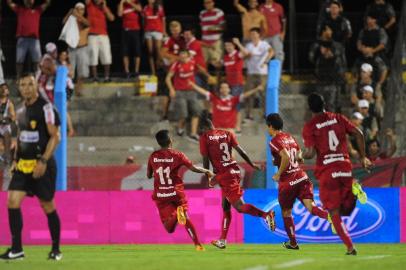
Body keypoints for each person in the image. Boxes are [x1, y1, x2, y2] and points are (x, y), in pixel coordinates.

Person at [301, 93, 373, 255]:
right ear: (325, 103)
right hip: (345, 167)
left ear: (309, 108)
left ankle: (350, 247)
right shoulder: (339, 118)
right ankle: (355, 187)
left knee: (334, 212)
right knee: (346, 210)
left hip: (328, 171)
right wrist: (362, 157)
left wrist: (300, 155)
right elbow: (359, 134)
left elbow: (310, 153)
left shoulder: (310, 126)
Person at [0, 73, 62, 260]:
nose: (26, 88)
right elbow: (21, 138)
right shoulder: (19, 111)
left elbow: (55, 136)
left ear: (36, 86)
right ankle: (17, 249)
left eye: (30, 84)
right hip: (23, 165)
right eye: (23, 85)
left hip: (41, 164)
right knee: (12, 201)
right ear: (19, 88)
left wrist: (43, 161)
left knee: (47, 205)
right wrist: (16, 160)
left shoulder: (46, 108)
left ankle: (56, 249)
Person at [199, 117, 276, 249]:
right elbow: (241, 151)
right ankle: (222, 240)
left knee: (240, 207)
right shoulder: (227, 133)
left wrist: (208, 176)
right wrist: (252, 164)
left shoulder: (204, 138)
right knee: (225, 206)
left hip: (224, 175)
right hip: (234, 170)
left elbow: (205, 160)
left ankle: (266, 215)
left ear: (202, 129)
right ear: (212, 125)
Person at [266, 113, 330, 250]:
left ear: (271, 126)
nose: (268, 129)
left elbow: (286, 157)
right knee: (312, 208)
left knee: (286, 212)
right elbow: (299, 154)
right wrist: (296, 159)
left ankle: (293, 243)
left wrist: (278, 173)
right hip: (302, 177)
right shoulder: (289, 137)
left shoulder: (274, 141)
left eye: (268, 127)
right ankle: (331, 218)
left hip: (288, 181)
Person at [147, 130, 214, 251]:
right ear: (171, 141)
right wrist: (206, 171)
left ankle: (176, 215)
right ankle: (197, 244)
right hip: (176, 192)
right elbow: (193, 168)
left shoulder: (153, 156)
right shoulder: (178, 155)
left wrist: (156, 173)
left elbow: (148, 175)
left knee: (169, 228)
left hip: (161, 194)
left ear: (158, 142)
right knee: (185, 218)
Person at [165, 49, 213, 142]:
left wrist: (208, 75)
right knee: (184, 114)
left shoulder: (193, 62)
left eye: (184, 55)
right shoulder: (176, 65)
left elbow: (200, 69)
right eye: (181, 55)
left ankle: (193, 134)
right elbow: (168, 78)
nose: (182, 57)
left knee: (196, 111)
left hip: (192, 91)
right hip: (180, 92)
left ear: (187, 56)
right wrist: (171, 89)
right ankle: (180, 130)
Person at [190, 81, 263, 132]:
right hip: (217, 129)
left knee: (231, 152)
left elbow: (246, 95)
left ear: (229, 89)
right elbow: (204, 92)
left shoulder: (234, 99)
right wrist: (193, 85)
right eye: (222, 88)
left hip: (229, 130)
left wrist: (256, 89)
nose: (224, 89)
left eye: (226, 87)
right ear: (220, 90)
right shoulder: (214, 98)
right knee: (216, 152)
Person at [233, 29, 274, 120]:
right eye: (251, 34)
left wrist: (266, 61)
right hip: (251, 73)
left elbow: (271, 52)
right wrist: (239, 45)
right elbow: (246, 54)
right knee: (249, 94)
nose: (253, 36)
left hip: (262, 73)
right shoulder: (249, 45)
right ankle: (249, 114)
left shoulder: (264, 44)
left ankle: (266, 114)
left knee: (263, 94)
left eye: (255, 34)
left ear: (259, 35)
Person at [6, 0, 51, 79]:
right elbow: (9, 3)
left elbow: (47, 3)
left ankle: (37, 78)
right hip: (22, 39)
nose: (29, 1)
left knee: (37, 61)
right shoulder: (19, 9)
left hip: (34, 40)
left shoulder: (38, 10)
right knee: (19, 61)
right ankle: (18, 78)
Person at [63, 2, 90, 96]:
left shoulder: (85, 19)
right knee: (70, 72)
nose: (79, 11)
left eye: (81, 9)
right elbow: (63, 23)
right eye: (77, 9)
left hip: (82, 48)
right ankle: (70, 90)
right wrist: (69, 13)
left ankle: (79, 90)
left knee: (82, 72)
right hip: (71, 49)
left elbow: (87, 23)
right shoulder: (71, 20)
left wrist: (78, 15)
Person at [86, 0, 115, 82]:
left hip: (103, 35)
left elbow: (112, 18)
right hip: (92, 35)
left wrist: (104, 7)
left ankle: (107, 77)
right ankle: (95, 77)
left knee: (106, 56)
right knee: (93, 57)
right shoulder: (89, 4)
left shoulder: (104, 7)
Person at [117, 0, 142, 78]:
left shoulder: (136, 2)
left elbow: (140, 9)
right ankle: (127, 71)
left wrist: (130, 2)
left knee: (137, 51)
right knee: (125, 51)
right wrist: (121, 3)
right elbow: (119, 14)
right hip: (125, 30)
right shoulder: (121, 5)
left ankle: (136, 71)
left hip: (135, 30)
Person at [143, 0, 166, 75]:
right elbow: (144, 20)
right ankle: (153, 71)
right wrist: (144, 31)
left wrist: (164, 31)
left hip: (158, 31)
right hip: (148, 32)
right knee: (150, 52)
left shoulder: (159, 8)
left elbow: (163, 20)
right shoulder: (145, 8)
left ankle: (161, 67)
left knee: (158, 50)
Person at [199, 0, 225, 67]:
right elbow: (202, 27)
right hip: (204, 42)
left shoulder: (218, 12)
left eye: (209, 2)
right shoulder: (202, 13)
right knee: (203, 63)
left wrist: (214, 28)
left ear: (213, 3)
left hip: (215, 41)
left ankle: (218, 77)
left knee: (217, 63)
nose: (207, 4)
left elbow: (223, 27)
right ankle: (207, 77)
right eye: (205, 3)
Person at [0, 83, 16, 164]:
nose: (3, 90)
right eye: (1, 88)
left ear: (8, 91)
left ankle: (7, 157)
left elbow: (13, 117)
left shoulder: (9, 103)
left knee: (7, 134)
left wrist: (5, 119)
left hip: (4, 126)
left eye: (5, 88)